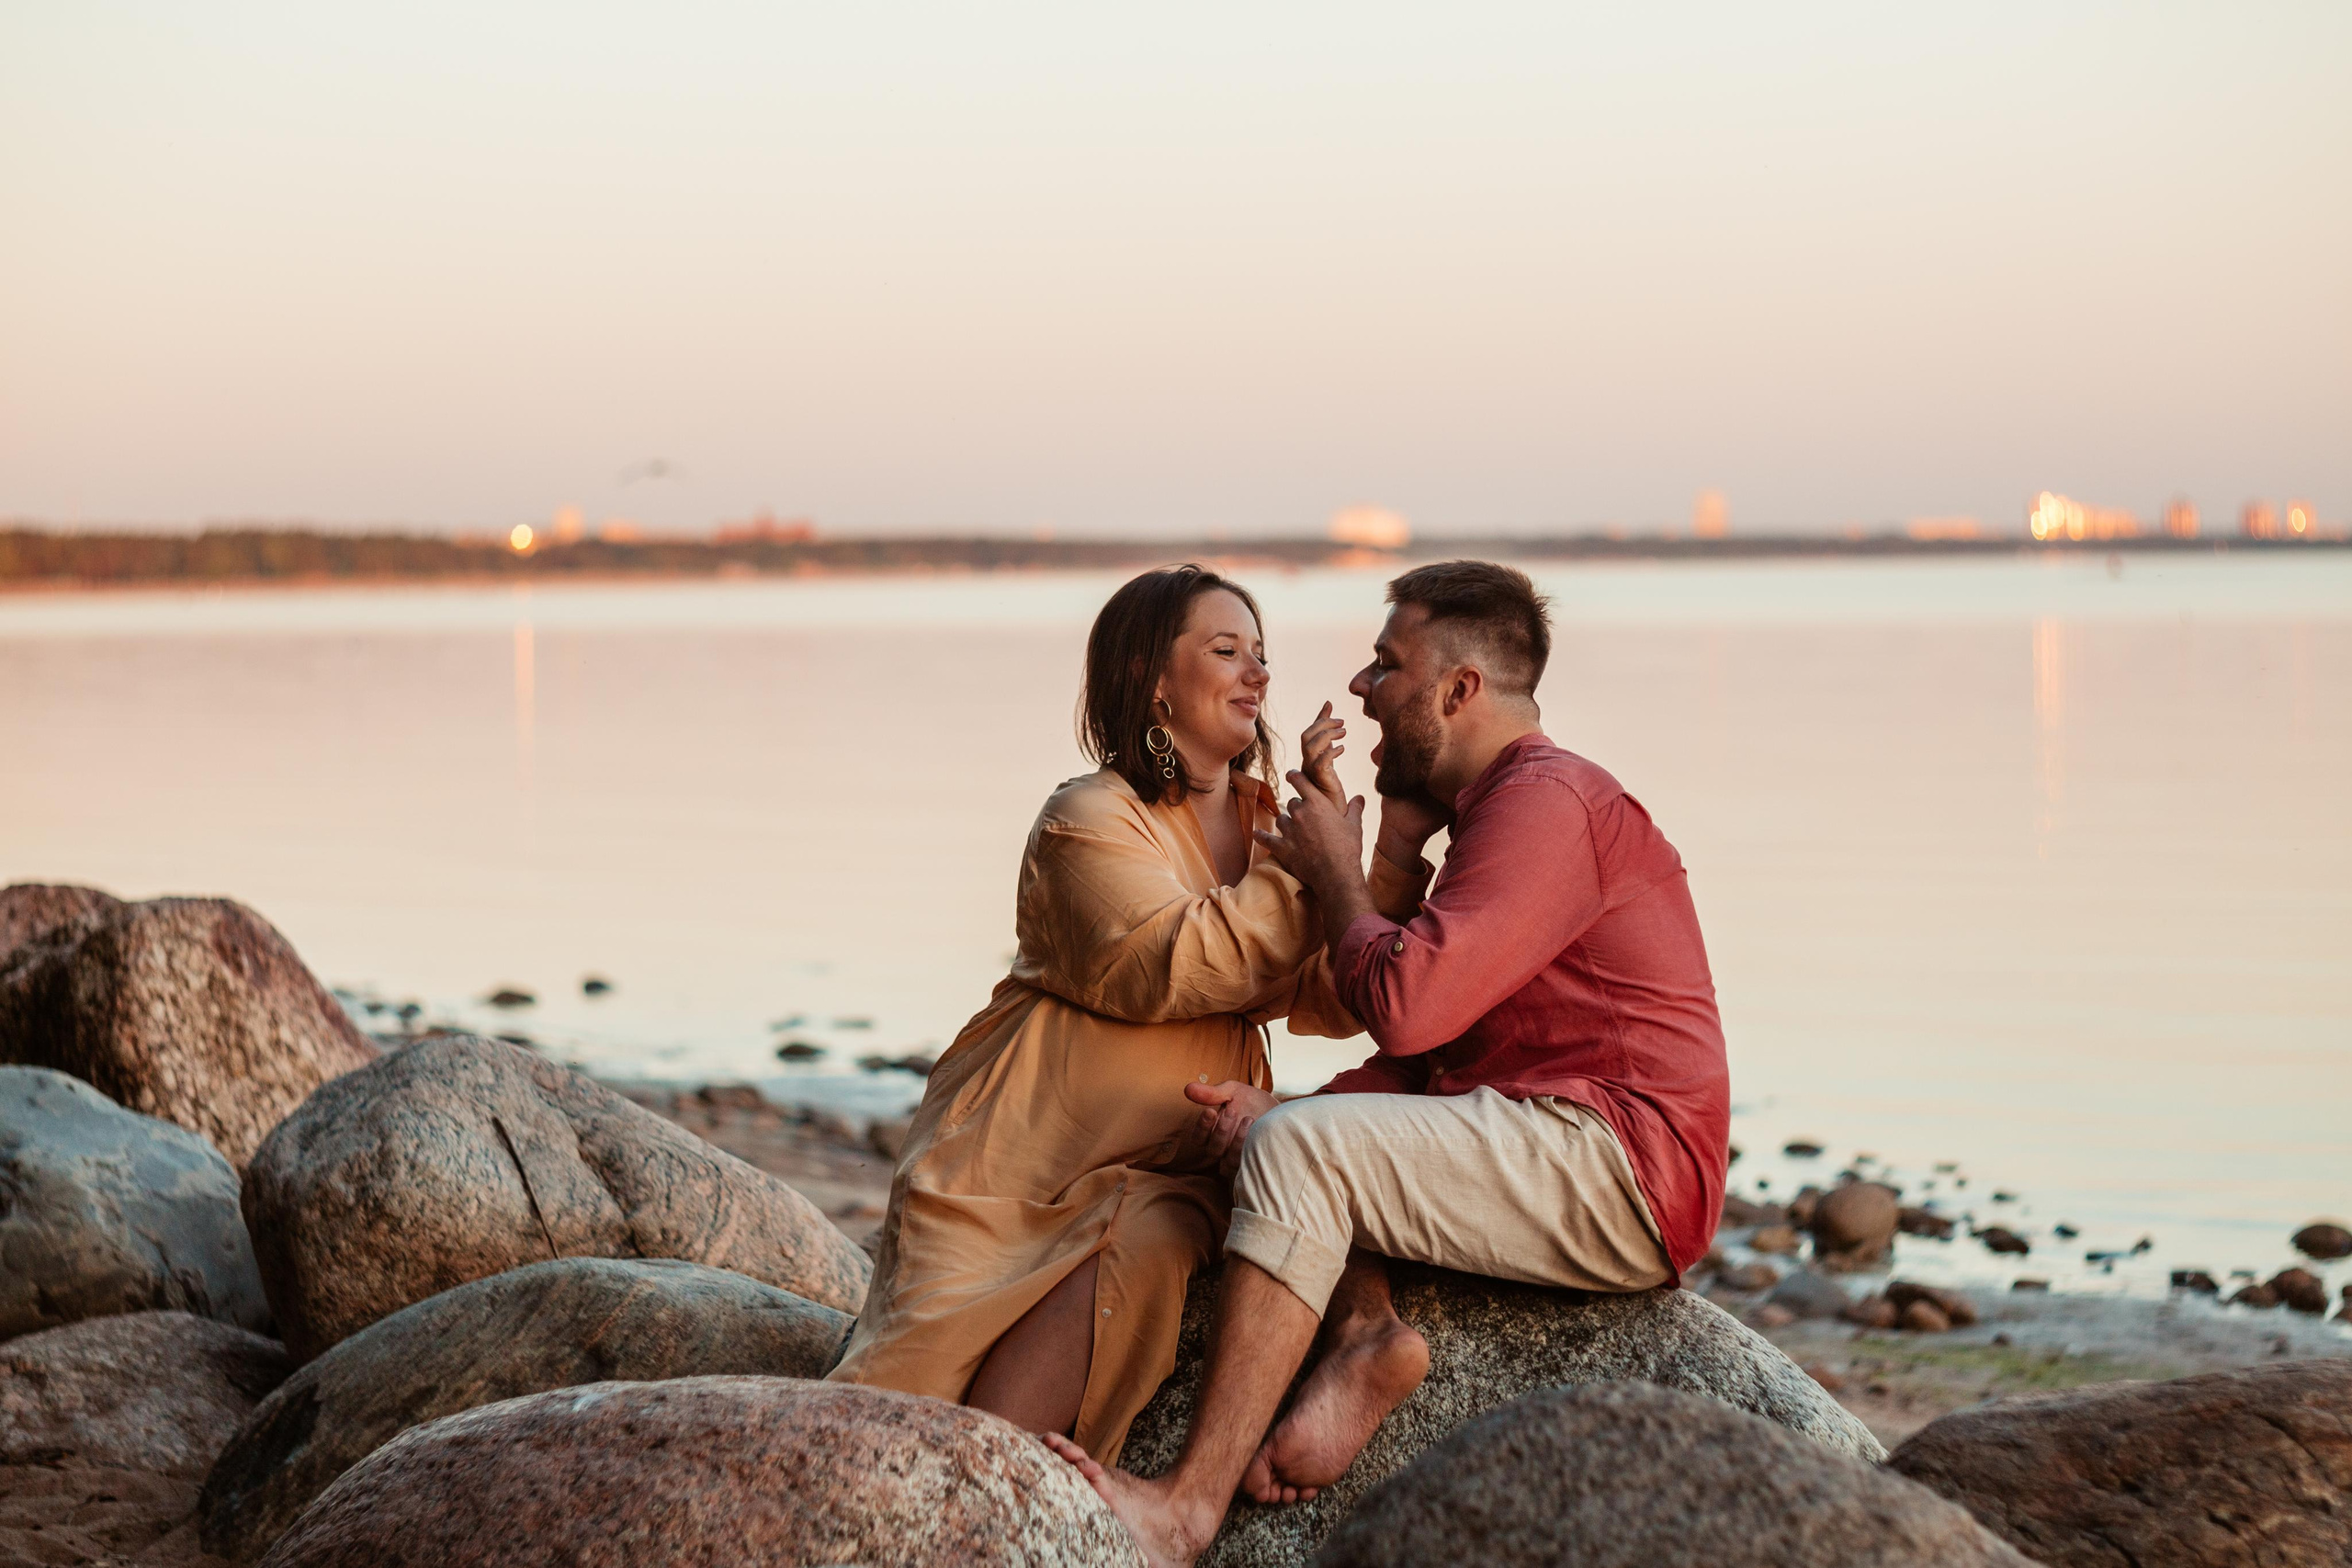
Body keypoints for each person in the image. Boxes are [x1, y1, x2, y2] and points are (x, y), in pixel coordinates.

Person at [1044, 559, 1732, 1568]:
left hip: (1620, 1162)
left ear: (1460, 691)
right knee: (1280, 1144)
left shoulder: (1548, 803)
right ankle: (1367, 1337)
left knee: (1298, 1152)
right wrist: (1279, 1108)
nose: (1360, 688)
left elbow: (1405, 1011)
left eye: (1386, 663)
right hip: (1558, 1142)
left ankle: (1186, 1513)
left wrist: (1333, 872)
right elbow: (1434, 1066)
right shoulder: (1496, 813)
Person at [828, 564, 1388, 1466]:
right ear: (1150, 679)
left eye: (1261, 654)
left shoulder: (1267, 823)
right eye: (1225, 650)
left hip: (1173, 1166)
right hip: (1024, 1160)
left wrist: (1360, 846)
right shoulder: (1085, 819)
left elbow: (1325, 992)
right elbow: (1171, 963)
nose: (1257, 673)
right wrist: (1306, 869)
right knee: (888, 1418)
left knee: (1142, 1262)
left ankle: (991, 1514)